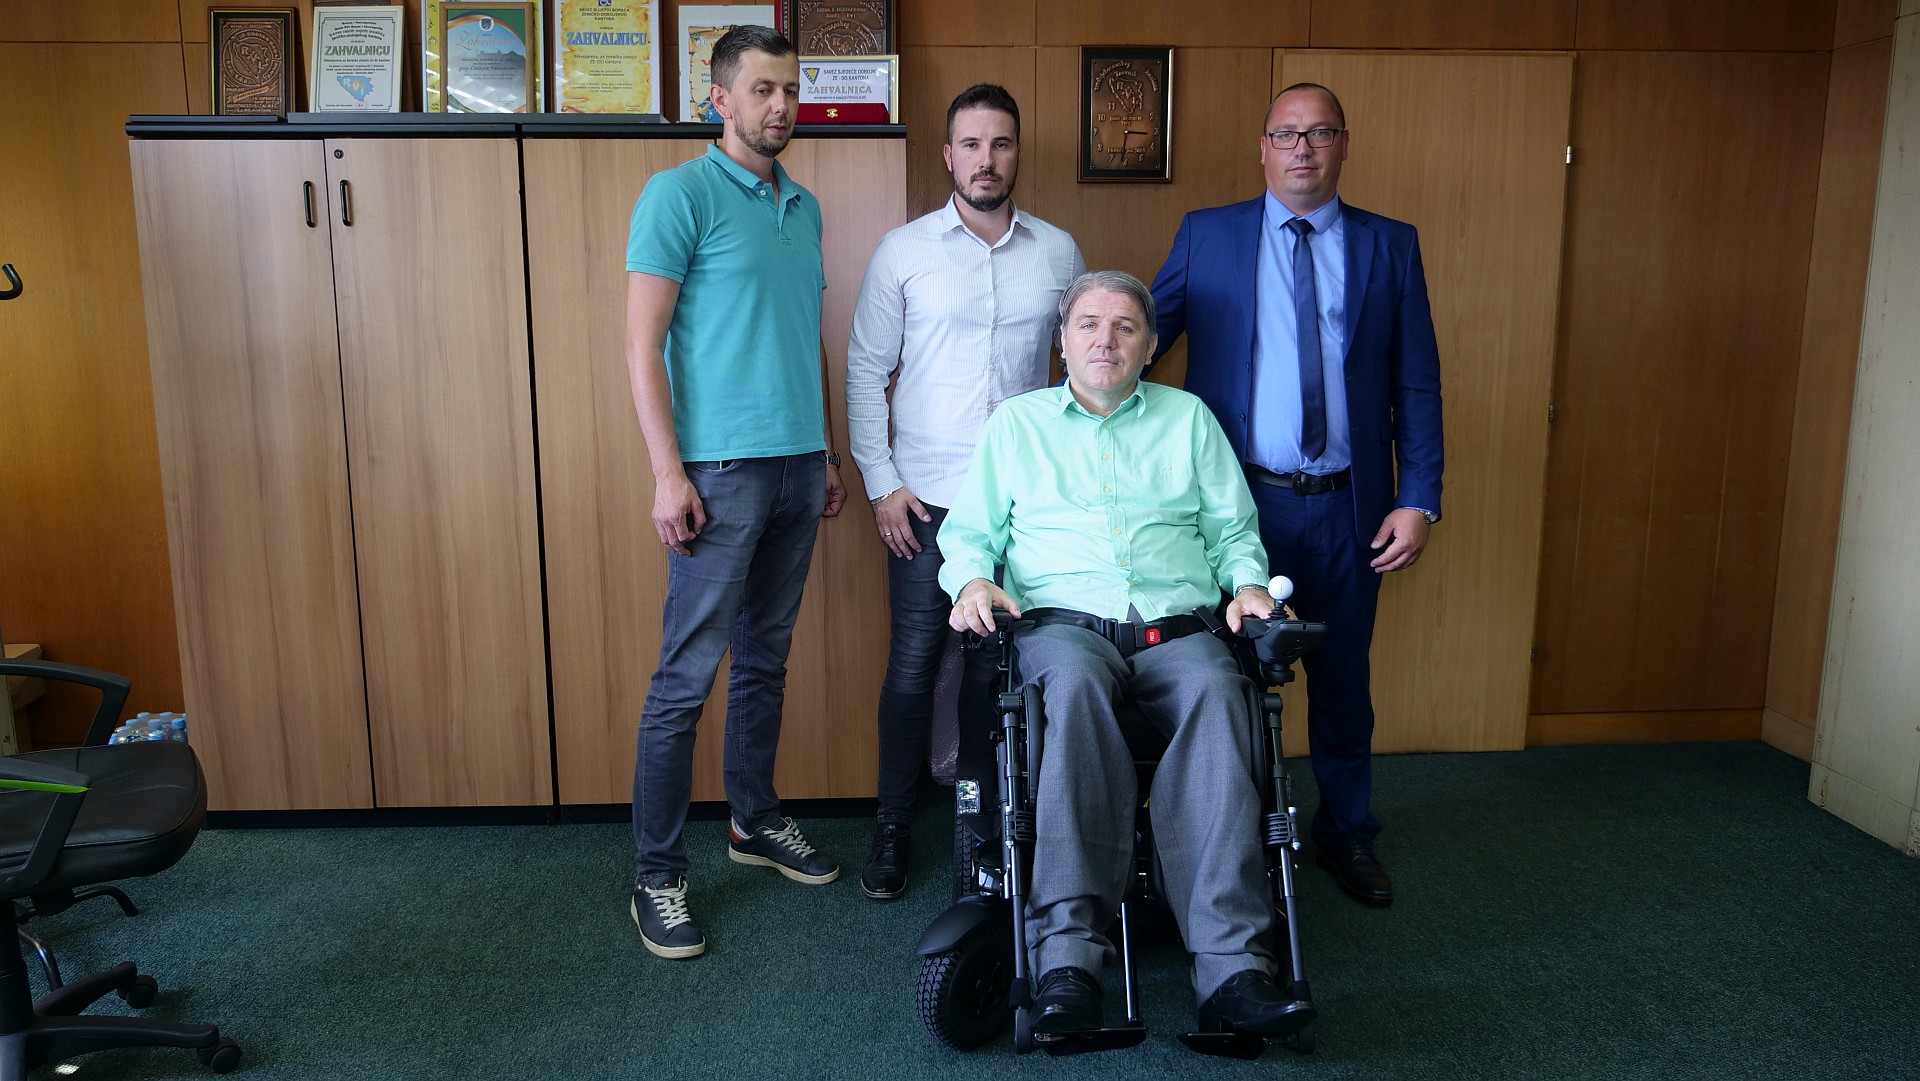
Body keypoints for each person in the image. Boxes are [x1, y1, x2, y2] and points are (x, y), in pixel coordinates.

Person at [938, 270, 1307, 1037]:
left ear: (1149, 345)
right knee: (1072, 688)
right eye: (1088, 325)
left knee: (1221, 692)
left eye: (1125, 327)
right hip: (1062, 628)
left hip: (1179, 630)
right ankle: (1069, 960)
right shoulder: (1017, 424)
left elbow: (1232, 532)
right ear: (1062, 341)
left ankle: (1233, 968)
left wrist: (1248, 586)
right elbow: (970, 532)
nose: (1105, 340)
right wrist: (971, 579)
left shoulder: (1188, 419)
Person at [1149, 83, 1444, 907]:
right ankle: (1236, 840)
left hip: (1354, 510)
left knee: (1344, 682)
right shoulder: (1208, 235)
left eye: (1319, 133)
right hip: (1242, 510)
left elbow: (1417, 383)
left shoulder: (1390, 245)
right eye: (1286, 134)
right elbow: (1139, 342)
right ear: (1263, 148)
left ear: (1344, 143)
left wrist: (1419, 496)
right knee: (1233, 682)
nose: (1302, 149)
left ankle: (1348, 834)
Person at [622, 25, 848, 960]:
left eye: (790, 89)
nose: (781, 105)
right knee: (685, 679)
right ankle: (656, 874)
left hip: (798, 466)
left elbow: (804, 337)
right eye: (762, 89)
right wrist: (666, 472)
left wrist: (826, 452)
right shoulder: (677, 195)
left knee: (765, 661)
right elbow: (642, 346)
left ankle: (753, 819)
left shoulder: (807, 206)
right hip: (717, 474)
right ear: (719, 97)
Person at [845, 83, 1084, 901]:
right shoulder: (903, 251)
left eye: (1001, 144)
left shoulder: (1058, 253)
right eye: (972, 145)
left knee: (1002, 670)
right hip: (926, 504)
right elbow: (865, 371)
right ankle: (892, 826)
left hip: (1021, 506)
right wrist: (882, 484)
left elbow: (1078, 375)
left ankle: (988, 829)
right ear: (948, 155)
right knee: (914, 667)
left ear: (1018, 153)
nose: (987, 160)